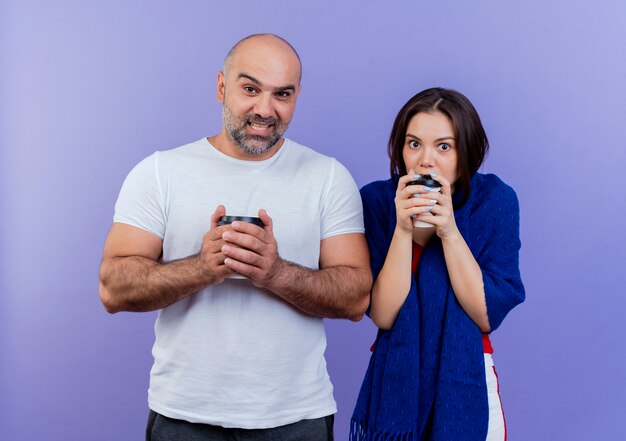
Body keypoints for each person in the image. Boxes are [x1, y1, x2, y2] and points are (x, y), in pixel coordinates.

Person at [98, 33, 372, 441]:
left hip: (297, 418)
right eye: (250, 88)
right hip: (182, 417)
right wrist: (201, 268)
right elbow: (112, 288)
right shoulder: (160, 172)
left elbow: (356, 299)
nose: (265, 109)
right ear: (221, 87)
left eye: (282, 94)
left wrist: (274, 273)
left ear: (297, 96)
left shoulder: (328, 177)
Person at [350, 88, 525, 441]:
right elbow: (383, 314)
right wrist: (403, 228)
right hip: (396, 383)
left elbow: (486, 314)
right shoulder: (378, 202)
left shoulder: (495, 202)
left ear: (467, 152)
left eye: (443, 146)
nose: (425, 160)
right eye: (414, 144)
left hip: (468, 379)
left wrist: (448, 230)